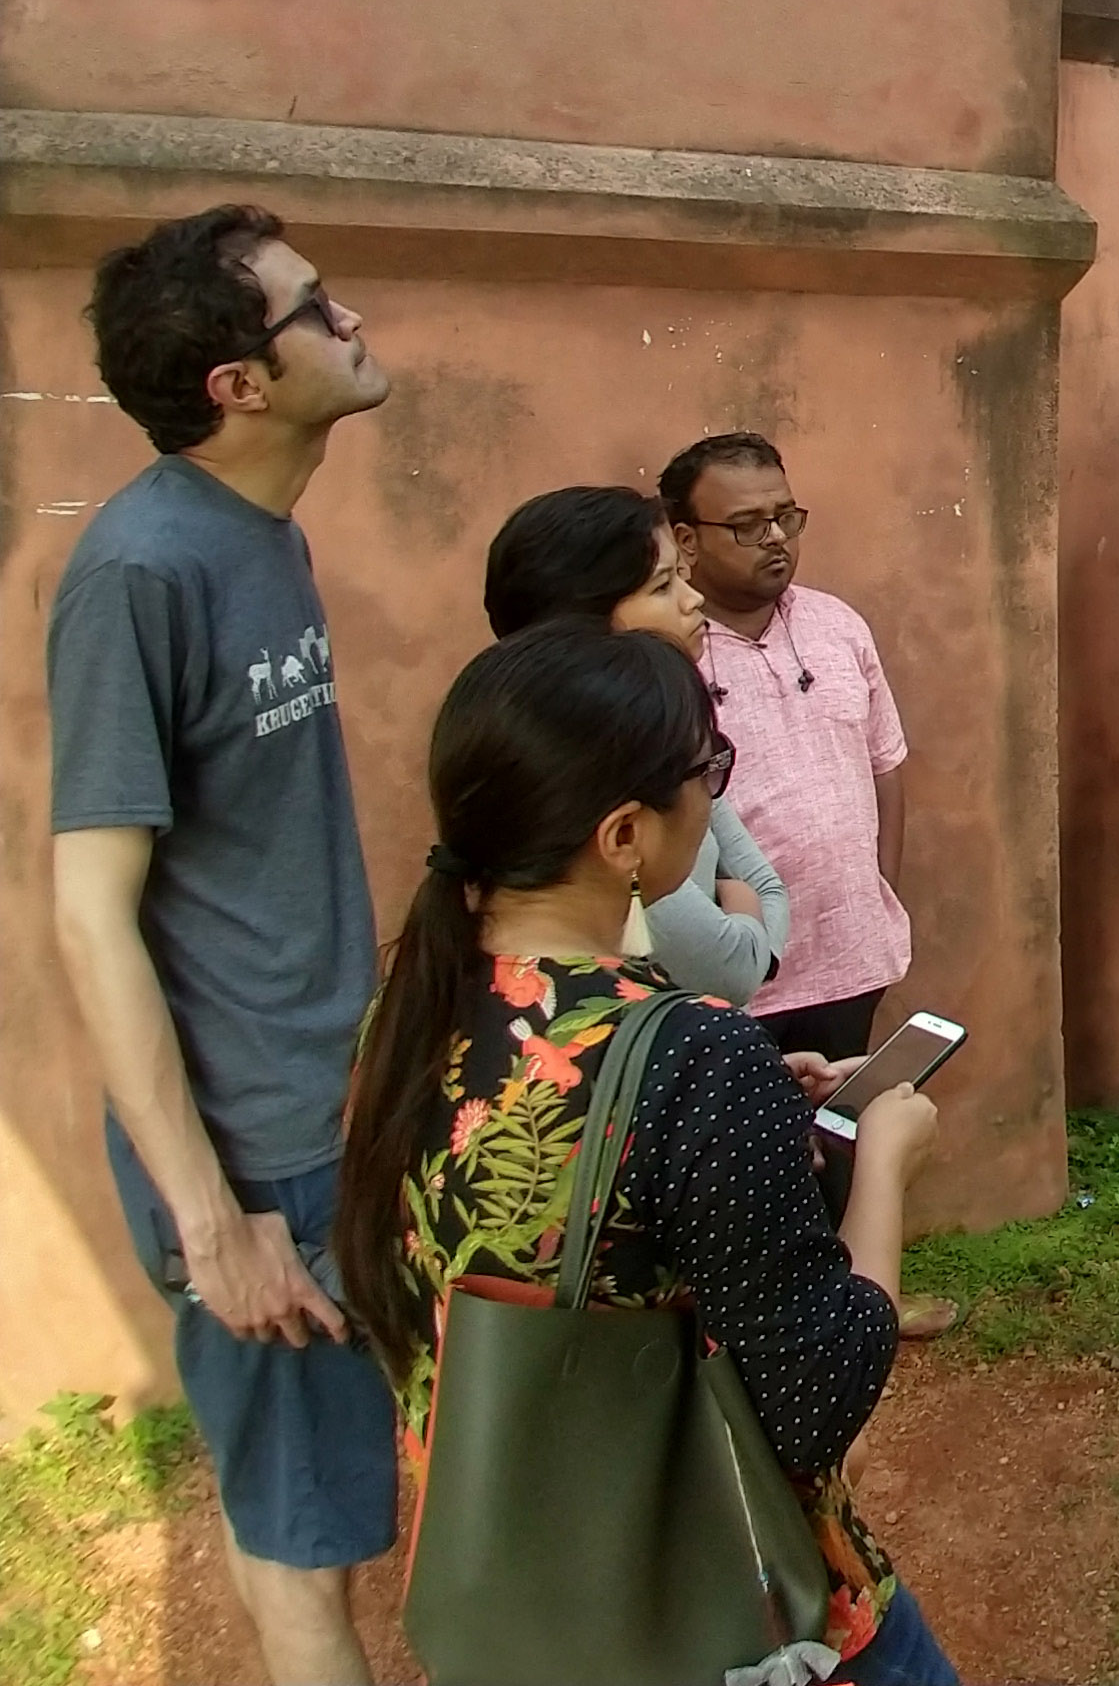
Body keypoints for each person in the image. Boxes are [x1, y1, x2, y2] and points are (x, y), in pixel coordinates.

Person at [332, 622, 960, 1684]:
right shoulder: (696, 1055)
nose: (715, 794)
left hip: (520, 1592)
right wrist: (884, 1168)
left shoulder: (410, 1014)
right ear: (625, 836)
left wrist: (760, 1109)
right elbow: (818, 1400)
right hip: (727, 1610)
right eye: (704, 769)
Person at [47, 208, 397, 1686]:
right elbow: (91, 909)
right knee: (303, 1532)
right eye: (315, 309)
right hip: (256, 1155)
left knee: (354, 1501)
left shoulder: (267, 535)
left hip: (333, 1106)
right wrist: (212, 1219)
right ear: (239, 386)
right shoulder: (142, 574)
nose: (351, 319)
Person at [483, 483, 793, 1002]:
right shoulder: (590, 780)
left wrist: (744, 917)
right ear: (584, 621)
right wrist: (742, 916)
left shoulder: (667, 736)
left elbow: (766, 884)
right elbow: (731, 970)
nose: (694, 600)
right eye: (662, 586)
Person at [658, 432, 908, 1064]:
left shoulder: (839, 627)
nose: (775, 537)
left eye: (785, 517)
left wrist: (874, 891)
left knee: (836, 1145)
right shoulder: (662, 653)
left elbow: (884, 766)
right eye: (746, 525)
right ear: (686, 540)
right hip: (727, 977)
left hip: (851, 963)